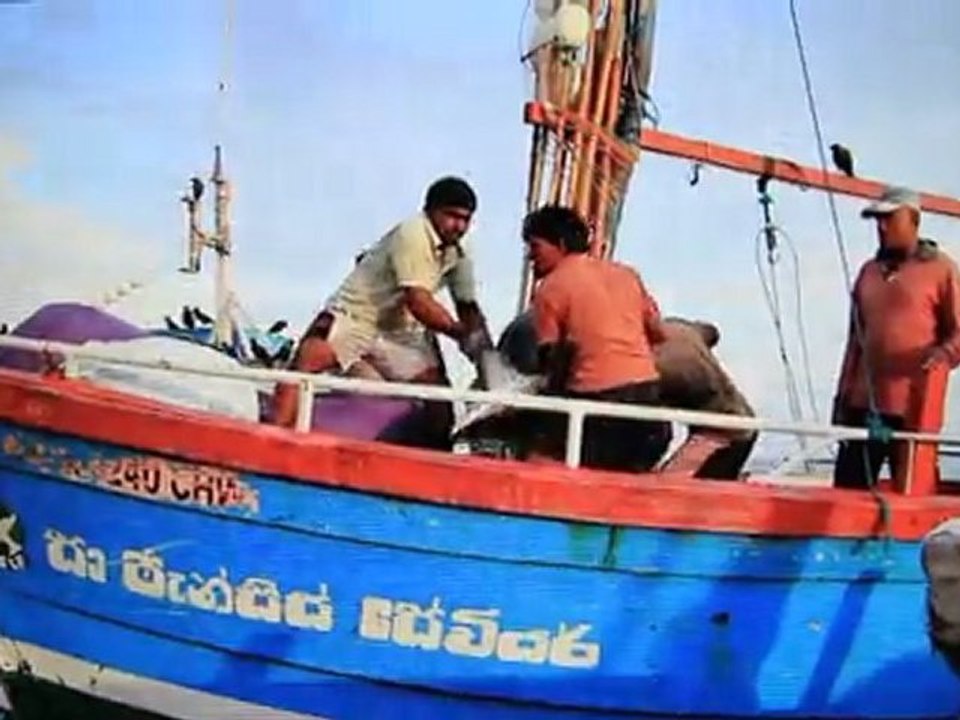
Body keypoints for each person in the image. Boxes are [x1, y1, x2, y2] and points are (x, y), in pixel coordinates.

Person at [272, 176, 492, 428]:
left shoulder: (460, 250)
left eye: (466, 219)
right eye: (452, 216)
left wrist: (486, 354)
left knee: (438, 397)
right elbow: (418, 302)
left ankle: (436, 458)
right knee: (306, 363)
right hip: (356, 315)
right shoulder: (413, 232)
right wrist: (462, 335)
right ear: (431, 212)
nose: (459, 226)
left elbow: (468, 306)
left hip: (399, 331)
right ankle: (270, 439)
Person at [524, 205, 670, 471]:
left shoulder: (550, 288)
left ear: (560, 243)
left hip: (601, 411)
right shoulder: (627, 275)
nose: (530, 257)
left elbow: (550, 360)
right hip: (650, 408)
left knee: (538, 452)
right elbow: (659, 334)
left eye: (535, 247)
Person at [833, 185, 960, 489]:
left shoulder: (941, 270)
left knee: (913, 489)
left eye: (890, 219)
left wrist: (942, 356)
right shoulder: (868, 273)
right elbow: (855, 343)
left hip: (911, 409)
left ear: (913, 220)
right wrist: (841, 399)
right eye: (878, 220)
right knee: (849, 489)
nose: (881, 227)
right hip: (863, 407)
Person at [655, 317, 756, 479]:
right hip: (734, 418)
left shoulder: (667, 333)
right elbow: (711, 332)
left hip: (724, 423)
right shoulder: (684, 330)